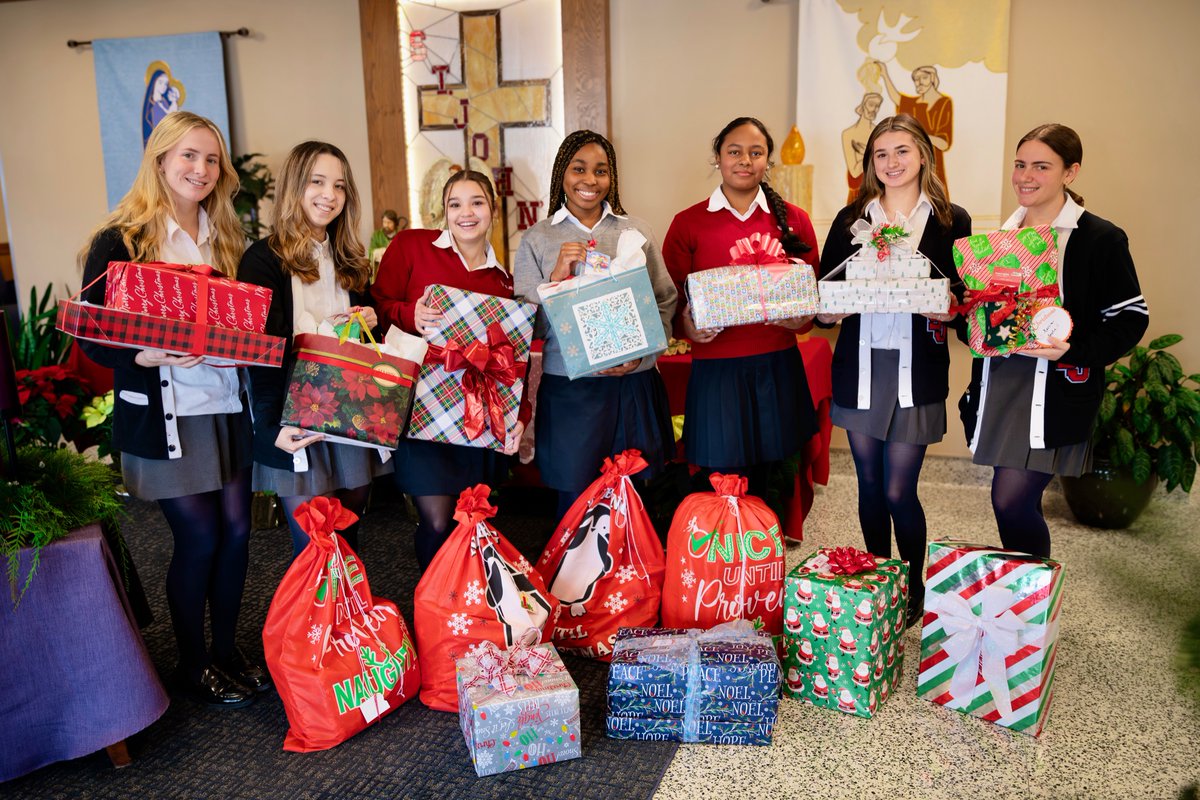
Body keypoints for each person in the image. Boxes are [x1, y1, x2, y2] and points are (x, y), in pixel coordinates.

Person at [78, 111, 265, 707]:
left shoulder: (229, 237)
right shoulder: (123, 239)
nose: (201, 169)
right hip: (169, 415)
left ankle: (227, 652)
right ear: (159, 161)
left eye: (211, 159)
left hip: (227, 407)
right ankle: (192, 662)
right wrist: (145, 351)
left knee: (237, 536)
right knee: (201, 539)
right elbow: (89, 334)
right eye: (188, 156)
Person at [960, 123, 1148, 558]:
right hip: (1002, 381)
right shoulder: (996, 240)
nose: (1026, 176)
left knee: (1011, 500)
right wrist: (971, 306)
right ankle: (1024, 604)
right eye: (1020, 164)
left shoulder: (1100, 239)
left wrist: (1074, 351)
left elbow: (1130, 318)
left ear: (1071, 172)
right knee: (1008, 502)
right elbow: (983, 320)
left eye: (1041, 166)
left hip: (1056, 388)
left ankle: (1031, 605)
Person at [818, 114, 971, 626]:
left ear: (924, 155)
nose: (892, 163)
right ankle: (878, 580)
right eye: (881, 154)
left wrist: (952, 308)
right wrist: (828, 310)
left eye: (902, 151)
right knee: (867, 483)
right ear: (870, 163)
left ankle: (913, 583)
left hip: (916, 367)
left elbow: (967, 299)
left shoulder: (953, 219)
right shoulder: (849, 219)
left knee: (899, 488)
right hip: (861, 364)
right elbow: (824, 295)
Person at [513, 130, 678, 520]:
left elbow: (665, 300)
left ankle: (633, 579)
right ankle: (577, 581)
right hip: (571, 391)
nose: (590, 180)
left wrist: (639, 359)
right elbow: (524, 327)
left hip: (631, 387)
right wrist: (554, 277)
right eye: (579, 169)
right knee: (576, 498)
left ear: (612, 177)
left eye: (601, 171)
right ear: (562, 174)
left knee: (634, 496)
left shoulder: (635, 232)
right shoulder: (538, 238)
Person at [238, 141, 387, 559]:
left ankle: (352, 624)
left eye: (339, 186)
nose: (330, 195)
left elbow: (371, 334)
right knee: (315, 548)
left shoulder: (349, 256)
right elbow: (260, 355)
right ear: (294, 187)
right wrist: (268, 430)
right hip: (294, 417)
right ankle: (317, 626)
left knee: (349, 542)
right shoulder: (262, 260)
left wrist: (371, 318)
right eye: (317, 182)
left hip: (351, 412)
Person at [372, 170, 525, 571]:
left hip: (475, 416)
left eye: (476, 202)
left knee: (468, 522)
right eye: (455, 204)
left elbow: (513, 360)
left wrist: (517, 418)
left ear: (492, 209)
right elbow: (376, 306)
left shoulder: (503, 282)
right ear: (444, 210)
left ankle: (460, 615)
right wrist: (410, 313)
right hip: (422, 407)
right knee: (437, 521)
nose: (465, 213)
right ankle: (431, 608)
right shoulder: (411, 247)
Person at [662, 116, 820, 500]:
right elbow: (671, 299)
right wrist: (687, 326)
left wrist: (802, 319)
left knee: (775, 480)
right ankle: (726, 561)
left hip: (777, 367)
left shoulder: (794, 220)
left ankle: (768, 558)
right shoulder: (688, 223)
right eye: (734, 151)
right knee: (720, 482)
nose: (745, 160)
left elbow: (811, 297)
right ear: (718, 157)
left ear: (768, 161)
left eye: (756, 152)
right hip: (717, 370)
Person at [876, 62, 952, 191]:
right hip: (912, 161)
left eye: (923, 78)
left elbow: (944, 143)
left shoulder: (944, 103)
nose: (919, 82)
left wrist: (916, 136)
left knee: (933, 195)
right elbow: (897, 98)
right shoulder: (914, 104)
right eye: (916, 80)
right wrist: (884, 74)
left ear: (932, 78)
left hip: (933, 160)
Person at [841, 92, 883, 203]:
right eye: (871, 104)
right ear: (863, 105)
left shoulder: (879, 133)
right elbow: (854, 172)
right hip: (857, 191)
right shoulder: (848, 134)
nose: (874, 109)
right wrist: (869, 154)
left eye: (877, 106)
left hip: (878, 191)